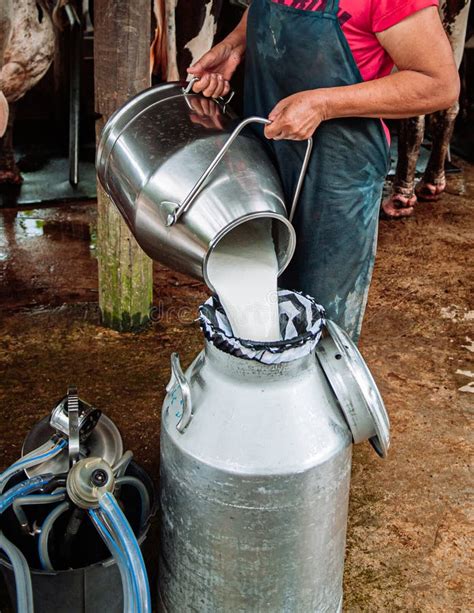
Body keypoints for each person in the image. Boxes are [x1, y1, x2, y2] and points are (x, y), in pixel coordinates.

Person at [188, 0, 459, 342]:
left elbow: (438, 83)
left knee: (320, 322)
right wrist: (233, 46)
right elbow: (264, 11)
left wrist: (324, 104)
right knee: (254, 304)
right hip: (263, 153)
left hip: (338, 174)